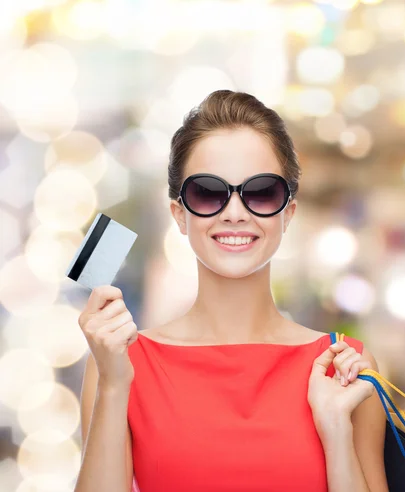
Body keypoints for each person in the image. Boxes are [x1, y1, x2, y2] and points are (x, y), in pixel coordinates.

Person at [74, 90, 388, 492]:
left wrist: (337, 435)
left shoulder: (346, 366)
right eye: (208, 192)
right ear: (180, 215)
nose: (235, 213)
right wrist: (115, 386)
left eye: (261, 192)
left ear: (287, 212)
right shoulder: (119, 363)